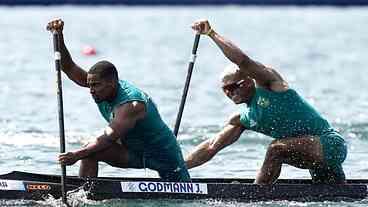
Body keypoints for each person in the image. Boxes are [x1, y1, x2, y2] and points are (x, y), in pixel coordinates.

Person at [185, 19, 347, 184]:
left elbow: (243, 61)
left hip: (330, 144)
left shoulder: (270, 85)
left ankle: (255, 195)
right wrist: (177, 167)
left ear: (249, 80)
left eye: (233, 86)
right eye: (225, 89)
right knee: (337, 195)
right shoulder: (243, 119)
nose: (229, 93)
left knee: (275, 148)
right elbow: (211, 147)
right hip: (309, 154)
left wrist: (211, 33)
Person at [47, 19, 190, 182]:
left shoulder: (131, 105)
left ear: (112, 83)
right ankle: (84, 194)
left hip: (165, 157)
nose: (91, 90)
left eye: (96, 85)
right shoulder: (102, 88)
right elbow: (69, 67)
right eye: (90, 85)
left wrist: (75, 155)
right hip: (134, 152)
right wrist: (59, 36)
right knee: (90, 152)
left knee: (87, 150)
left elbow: (108, 137)